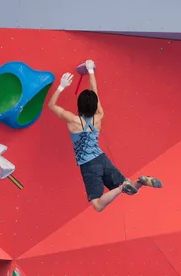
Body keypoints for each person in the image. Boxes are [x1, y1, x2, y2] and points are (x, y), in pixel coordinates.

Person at [47, 60, 162, 212]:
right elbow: (95, 92)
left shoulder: (73, 120)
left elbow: (52, 105)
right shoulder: (99, 116)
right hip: (102, 159)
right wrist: (91, 70)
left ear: (79, 105)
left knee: (98, 205)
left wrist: (62, 86)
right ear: (95, 106)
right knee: (130, 190)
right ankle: (140, 181)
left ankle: (123, 187)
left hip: (89, 165)